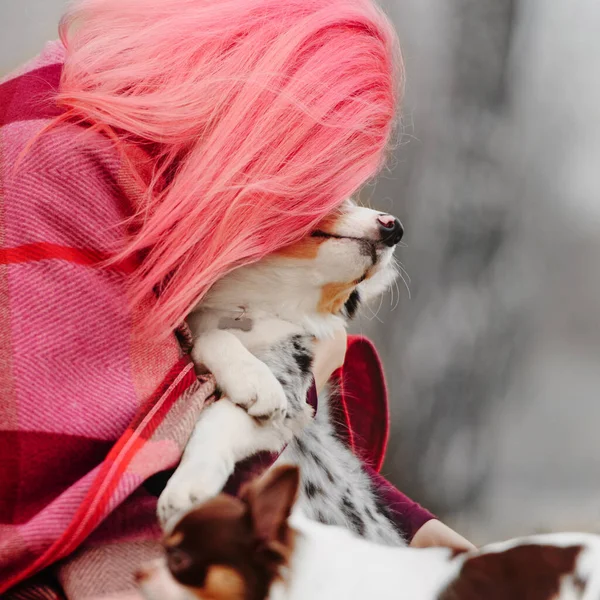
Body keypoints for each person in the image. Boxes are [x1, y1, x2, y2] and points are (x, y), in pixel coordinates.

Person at [0, 0, 471, 596]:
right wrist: (302, 374)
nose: (302, 207)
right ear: (255, 117)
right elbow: (86, 482)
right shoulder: (53, 162)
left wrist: (409, 527)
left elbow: (192, 410)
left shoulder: (159, 164)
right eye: (306, 170)